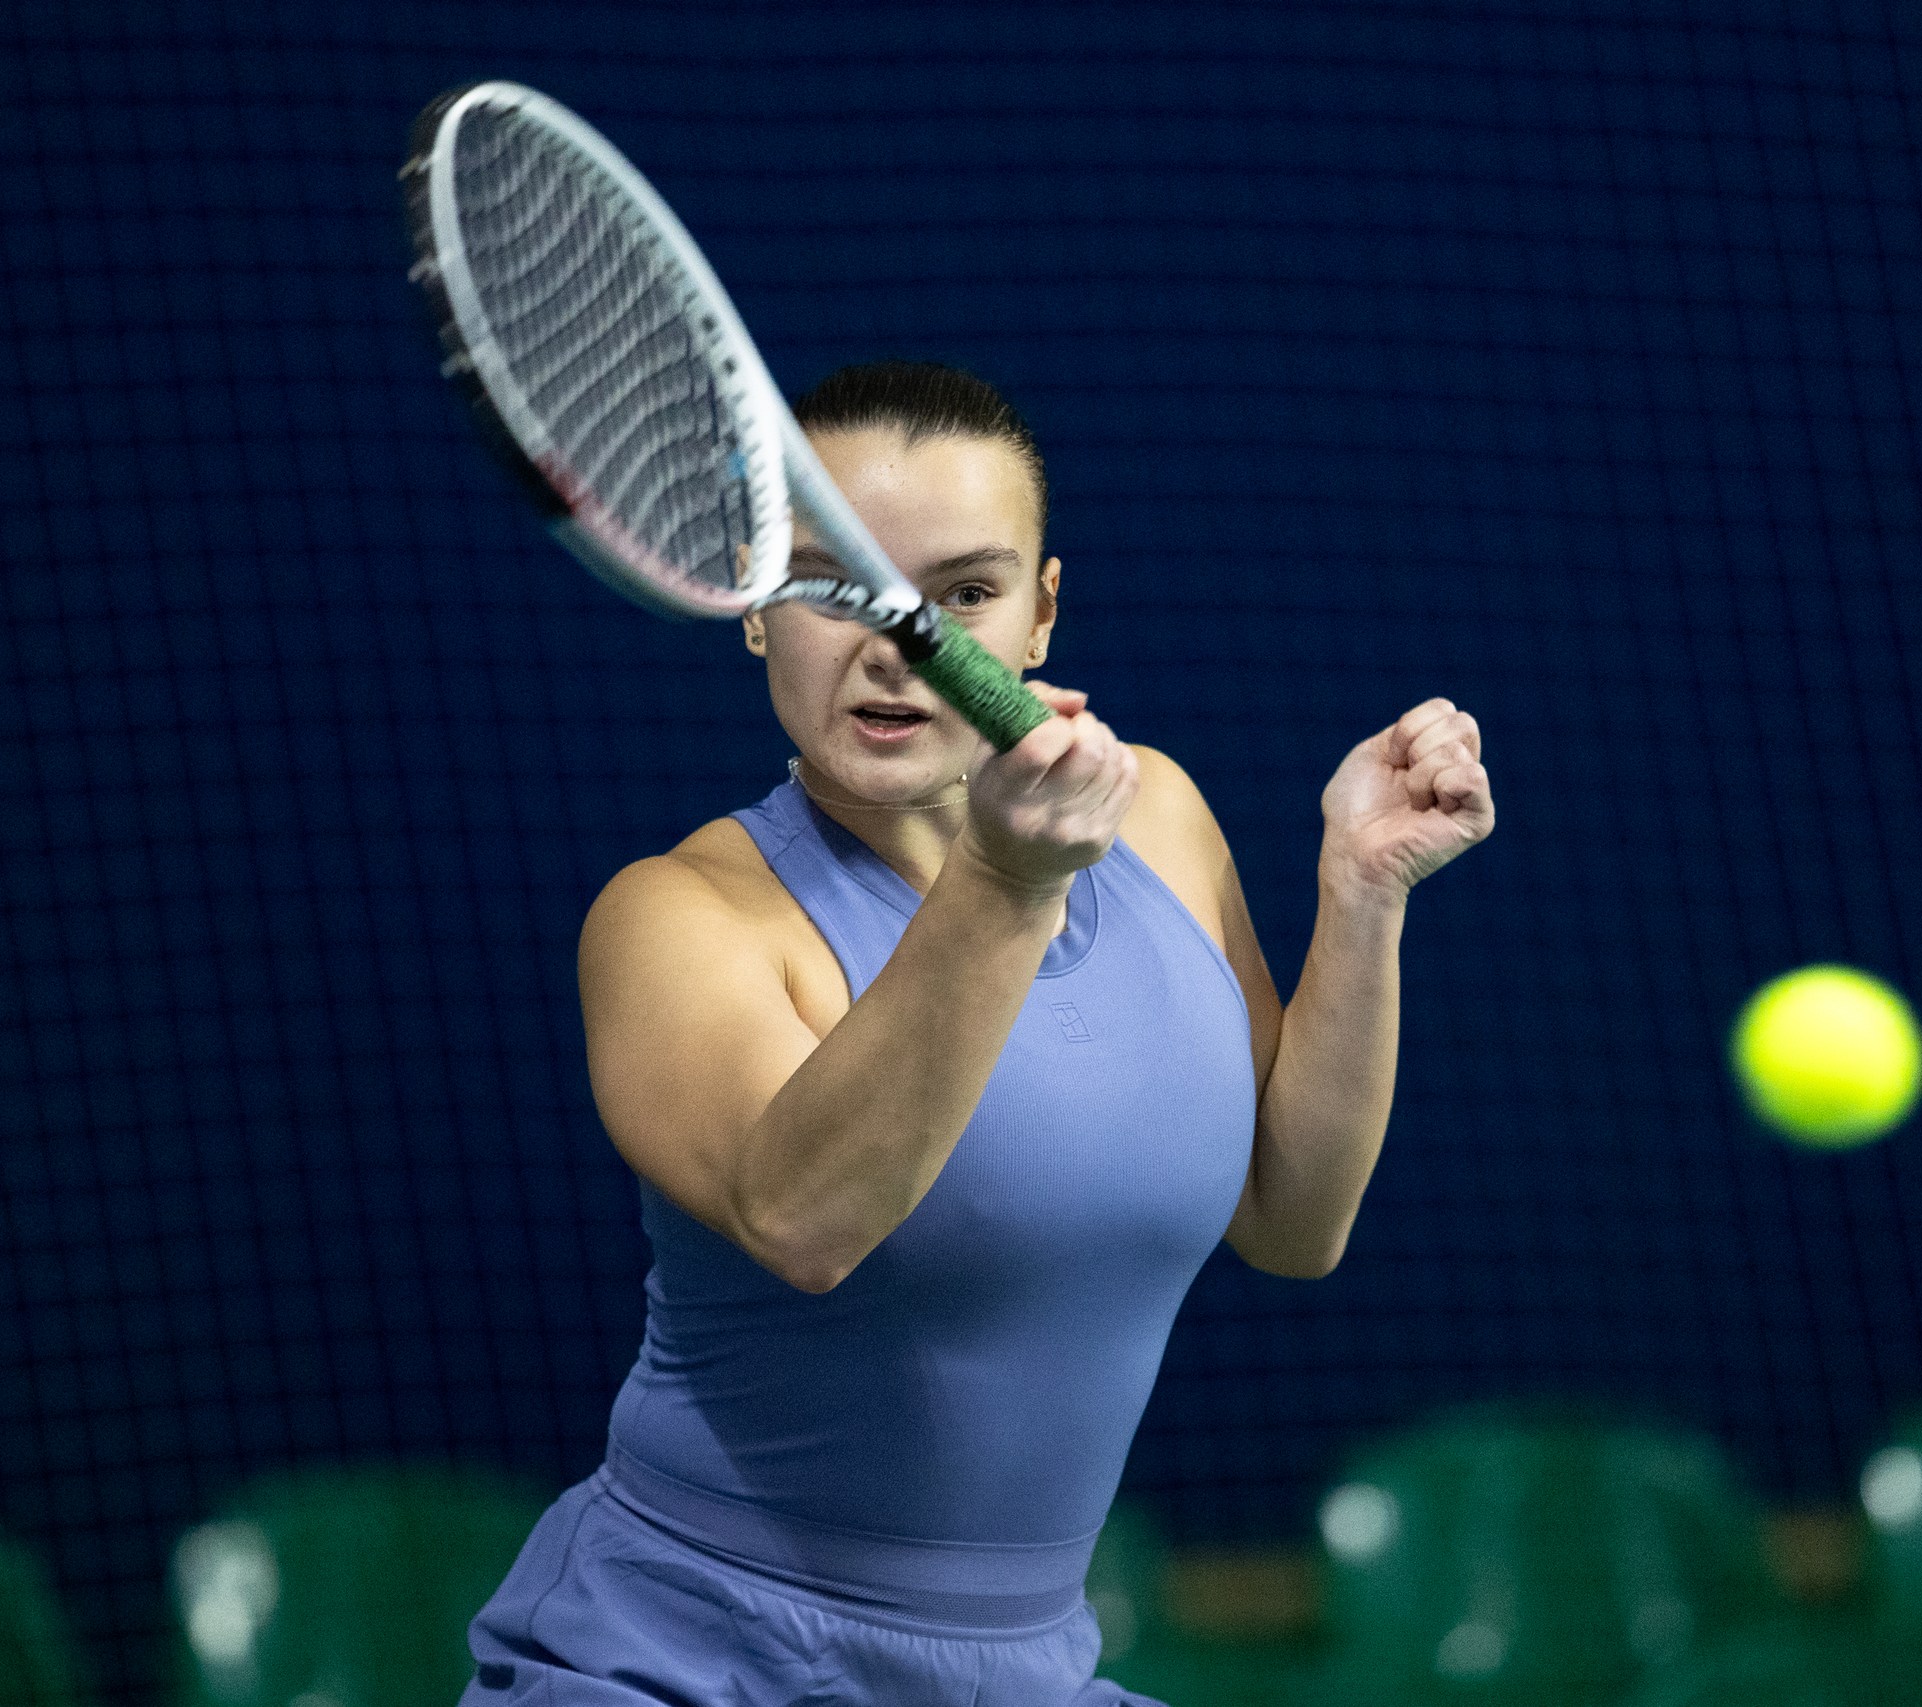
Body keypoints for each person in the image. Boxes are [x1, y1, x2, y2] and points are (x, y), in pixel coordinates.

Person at [461, 361, 1494, 1704]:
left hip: (1025, 1674)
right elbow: (805, 1220)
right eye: (834, 584)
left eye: (961, 593)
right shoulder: (678, 918)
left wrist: (1361, 896)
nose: (897, 644)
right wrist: (1003, 882)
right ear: (754, 604)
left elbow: (1293, 1223)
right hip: (689, 1663)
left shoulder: (1159, 819)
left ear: (1041, 613)